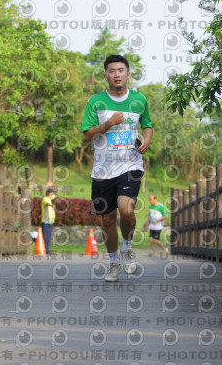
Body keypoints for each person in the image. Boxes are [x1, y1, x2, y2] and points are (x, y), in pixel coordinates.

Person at [82, 54, 153, 282]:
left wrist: (147, 140)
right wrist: (107, 124)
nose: (116, 75)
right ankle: (114, 262)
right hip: (103, 170)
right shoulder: (96, 101)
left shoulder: (139, 100)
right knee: (108, 219)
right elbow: (86, 135)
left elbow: (147, 125)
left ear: (128, 74)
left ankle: (128, 247)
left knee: (126, 209)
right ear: (106, 76)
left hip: (130, 164)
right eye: (111, 71)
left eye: (120, 70)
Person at [41, 188, 57, 254]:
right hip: (46, 221)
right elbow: (47, 203)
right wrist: (52, 205)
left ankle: (47, 250)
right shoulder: (45, 199)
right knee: (45, 236)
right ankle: (45, 250)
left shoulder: (50, 200)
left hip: (50, 221)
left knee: (48, 237)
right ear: (49, 193)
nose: (53, 194)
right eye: (53, 193)